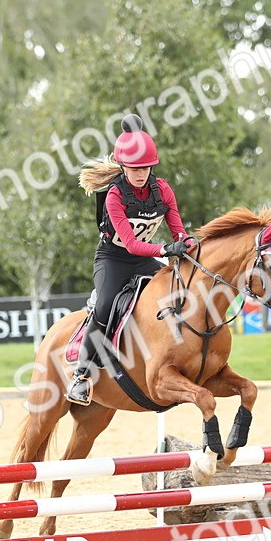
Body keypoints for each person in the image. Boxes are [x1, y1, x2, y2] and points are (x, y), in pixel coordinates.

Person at [68, 115, 195, 405]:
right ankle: (81, 376)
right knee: (105, 303)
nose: (140, 173)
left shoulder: (162, 190)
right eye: (134, 168)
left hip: (145, 258)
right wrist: (165, 249)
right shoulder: (115, 195)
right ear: (123, 166)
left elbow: (179, 230)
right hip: (114, 259)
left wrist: (188, 244)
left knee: (177, 290)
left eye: (145, 168)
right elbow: (131, 244)